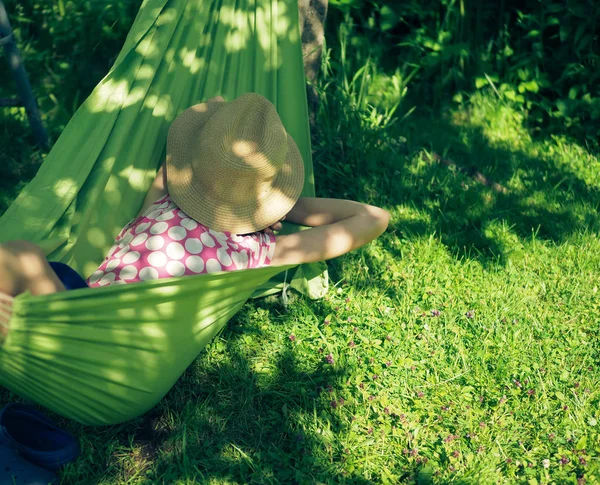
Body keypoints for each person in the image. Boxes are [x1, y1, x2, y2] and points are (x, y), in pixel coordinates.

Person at [0, 94, 389, 333]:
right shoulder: (174, 199)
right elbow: (372, 218)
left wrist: (289, 205)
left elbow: (376, 218)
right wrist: (283, 203)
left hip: (115, 339)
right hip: (83, 307)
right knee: (15, 256)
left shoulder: (255, 250)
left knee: (26, 256)